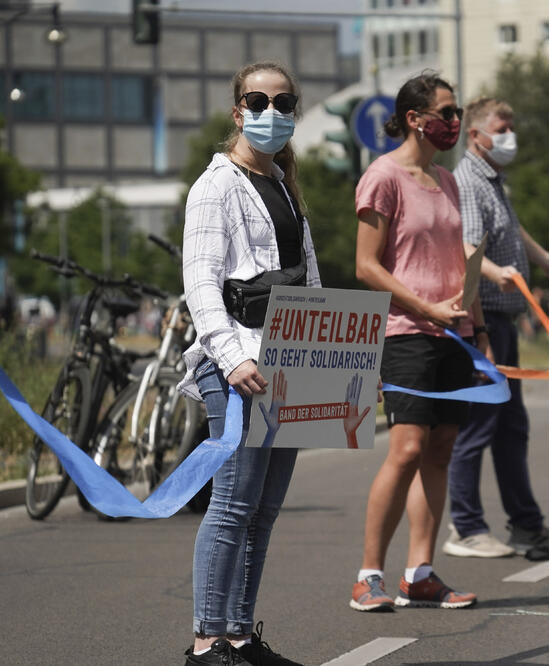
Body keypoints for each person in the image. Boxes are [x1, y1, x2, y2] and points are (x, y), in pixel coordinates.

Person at [180, 61, 319, 666]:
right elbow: (202, 284)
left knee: (264, 509)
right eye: (258, 100)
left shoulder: (287, 185)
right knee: (232, 504)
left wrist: (337, 358)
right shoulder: (215, 186)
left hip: (288, 363)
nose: (272, 112)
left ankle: (239, 634)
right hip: (239, 366)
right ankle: (207, 641)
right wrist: (231, 358)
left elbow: (310, 282)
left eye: (283, 102)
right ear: (238, 111)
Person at [351, 72, 483, 612]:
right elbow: (365, 267)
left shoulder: (445, 180)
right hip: (406, 332)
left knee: (441, 450)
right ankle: (368, 576)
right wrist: (426, 307)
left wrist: (476, 329)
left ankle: (420, 573)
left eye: (457, 114)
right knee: (405, 449)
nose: (455, 123)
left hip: (455, 334)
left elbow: (456, 263)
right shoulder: (383, 176)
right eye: (447, 113)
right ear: (415, 118)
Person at [444, 97, 549, 557]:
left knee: (512, 426)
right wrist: (496, 274)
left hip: (503, 321)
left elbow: (511, 231)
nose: (510, 134)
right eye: (502, 126)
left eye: (512, 125)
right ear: (477, 136)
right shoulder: (469, 182)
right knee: (479, 425)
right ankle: (466, 527)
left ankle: (526, 524)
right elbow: (468, 246)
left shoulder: (494, 181)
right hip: (484, 321)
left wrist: (541, 258)